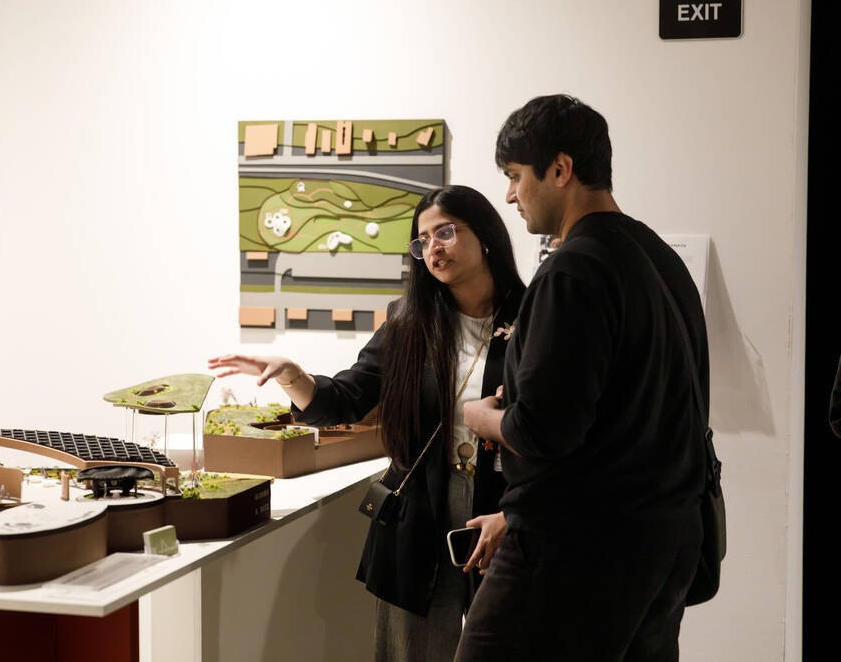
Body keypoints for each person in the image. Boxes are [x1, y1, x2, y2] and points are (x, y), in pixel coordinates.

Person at [209, 185, 525, 662]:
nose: (433, 248)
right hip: (422, 504)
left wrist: (517, 514)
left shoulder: (534, 316)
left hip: (501, 507)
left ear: (485, 235)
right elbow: (346, 398)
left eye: (445, 232)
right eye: (422, 241)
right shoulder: (409, 321)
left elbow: (562, 431)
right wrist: (293, 377)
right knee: (411, 650)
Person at [455, 94, 708, 661]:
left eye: (515, 176)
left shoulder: (573, 268)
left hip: (574, 550)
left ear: (560, 170)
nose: (510, 195)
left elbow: (545, 431)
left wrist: (481, 416)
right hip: (662, 540)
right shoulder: (658, 257)